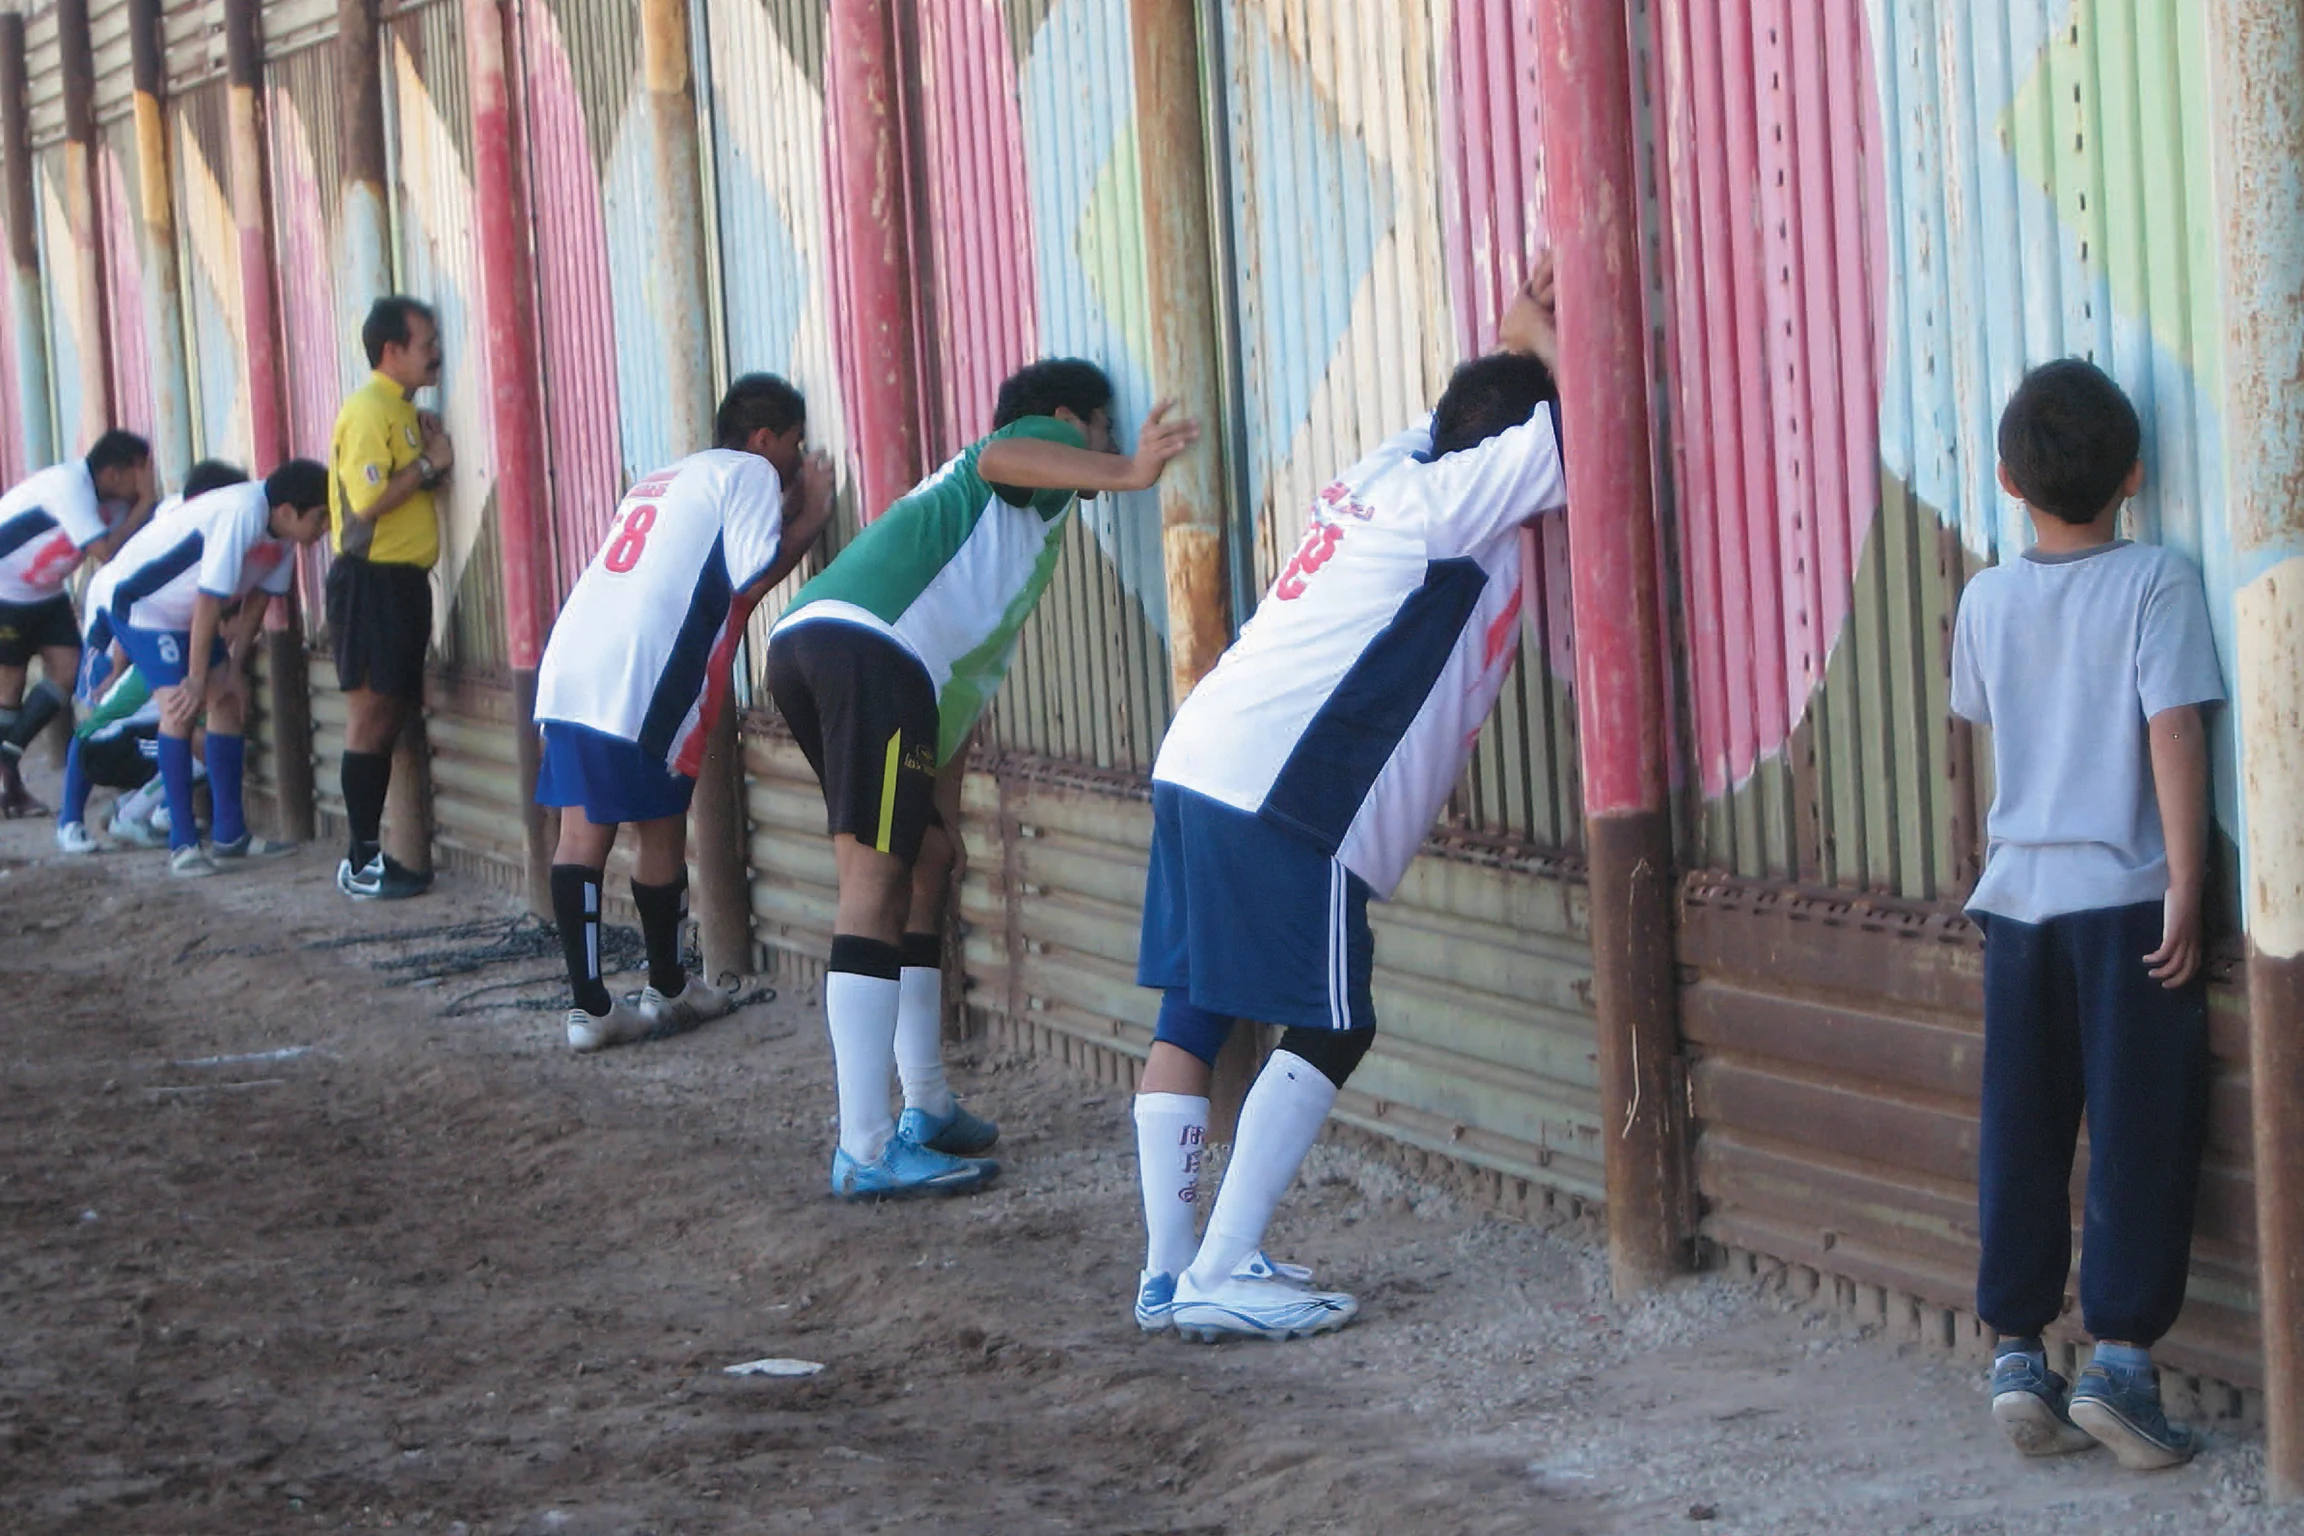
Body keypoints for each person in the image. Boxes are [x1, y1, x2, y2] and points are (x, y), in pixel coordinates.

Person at [1126, 257, 1566, 1342]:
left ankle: (1169, 1273)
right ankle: (1225, 1268)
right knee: (1334, 1016)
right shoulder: (1460, 506)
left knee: (1196, 1007)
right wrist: (1542, 341)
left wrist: (1513, 332)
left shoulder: (1392, 467)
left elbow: (1470, 411)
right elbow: (1572, 424)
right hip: (1284, 793)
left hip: (1198, 758)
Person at [763, 360, 1198, 1200]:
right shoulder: (1036, 449)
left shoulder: (1005, 540)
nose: (1102, 446)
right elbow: (1006, 456)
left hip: (840, 651)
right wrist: (1126, 469)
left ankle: (924, 1107)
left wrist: (944, 817)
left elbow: (949, 689)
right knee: (873, 879)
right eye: (1103, 427)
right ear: (1069, 419)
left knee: (919, 862)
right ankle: (864, 1145)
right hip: (869, 652)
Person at [1954, 359, 2223, 1470]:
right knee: (2138, 1128)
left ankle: (2019, 1350)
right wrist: (2190, 884)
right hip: (2126, 911)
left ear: (2010, 481)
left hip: (2018, 906)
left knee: (2020, 1127)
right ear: (2137, 474)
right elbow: (2175, 732)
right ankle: (2119, 1365)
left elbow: (1989, 731)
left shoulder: (1985, 598)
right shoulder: (2155, 582)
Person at [534, 374, 835, 1052]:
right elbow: (750, 576)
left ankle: (588, 1008)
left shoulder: (670, 475)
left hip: (575, 653)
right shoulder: (752, 474)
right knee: (661, 832)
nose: (797, 455)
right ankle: (666, 988)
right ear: (764, 439)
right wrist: (811, 515)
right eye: (795, 442)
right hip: (644, 669)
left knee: (579, 833)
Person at [103, 462, 333, 876]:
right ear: (286, 511)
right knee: (179, 707)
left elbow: (261, 597)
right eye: (320, 517)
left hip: (187, 614)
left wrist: (235, 665)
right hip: (147, 608)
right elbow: (210, 599)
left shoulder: (282, 536)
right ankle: (183, 845)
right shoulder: (241, 515)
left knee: (227, 699)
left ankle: (230, 835)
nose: (326, 528)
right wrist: (194, 677)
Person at [327, 295, 454, 900]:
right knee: (370, 717)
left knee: (389, 715)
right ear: (392, 351)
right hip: (371, 581)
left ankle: (369, 856)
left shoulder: (401, 409)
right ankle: (361, 860)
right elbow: (365, 505)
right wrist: (429, 467)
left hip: (401, 583)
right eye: (426, 344)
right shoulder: (367, 409)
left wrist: (429, 458)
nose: (437, 354)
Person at [56, 459, 249, 853]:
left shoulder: (227, 523)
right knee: (103, 705)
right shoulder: (179, 517)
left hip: (151, 616)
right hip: (117, 601)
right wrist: (124, 660)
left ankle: (155, 811)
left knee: (193, 718)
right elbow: (146, 590)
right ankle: (78, 819)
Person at [0, 430, 156, 816]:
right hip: (5, 586)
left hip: (46, 592)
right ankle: (10, 788)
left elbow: (129, 552)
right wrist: (146, 504)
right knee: (9, 685)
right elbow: (105, 552)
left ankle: (6, 758)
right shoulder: (70, 485)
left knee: (67, 671)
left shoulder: (119, 504)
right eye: (140, 473)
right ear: (116, 472)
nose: (144, 483)